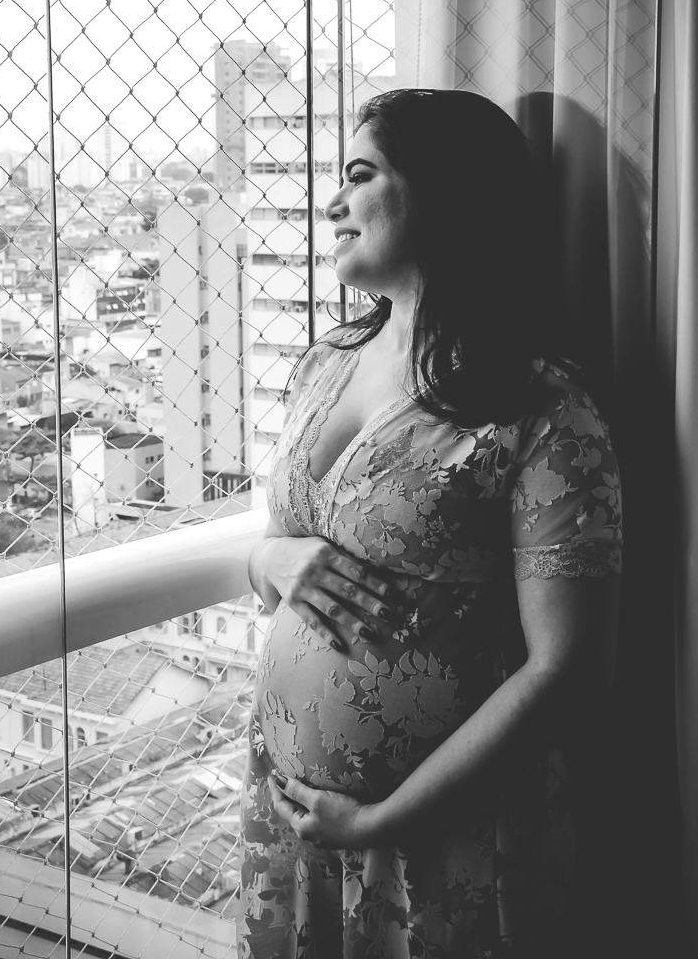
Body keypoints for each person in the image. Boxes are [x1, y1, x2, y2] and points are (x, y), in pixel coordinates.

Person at [238, 89, 622, 958]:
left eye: (360, 175)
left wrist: (382, 818)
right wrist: (271, 563)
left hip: (446, 837)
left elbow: (568, 669)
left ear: (446, 196)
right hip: (291, 815)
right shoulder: (324, 362)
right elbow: (273, 552)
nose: (332, 204)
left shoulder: (542, 407)